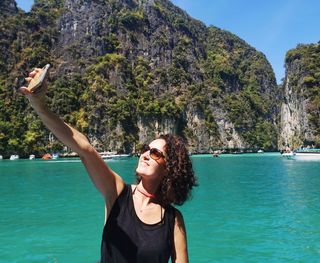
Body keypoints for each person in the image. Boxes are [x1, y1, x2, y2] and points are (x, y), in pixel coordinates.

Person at [19, 68, 198, 262]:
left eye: (155, 153)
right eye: (146, 148)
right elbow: (84, 148)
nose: (146, 154)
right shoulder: (118, 193)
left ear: (168, 169)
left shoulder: (173, 220)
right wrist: (39, 105)